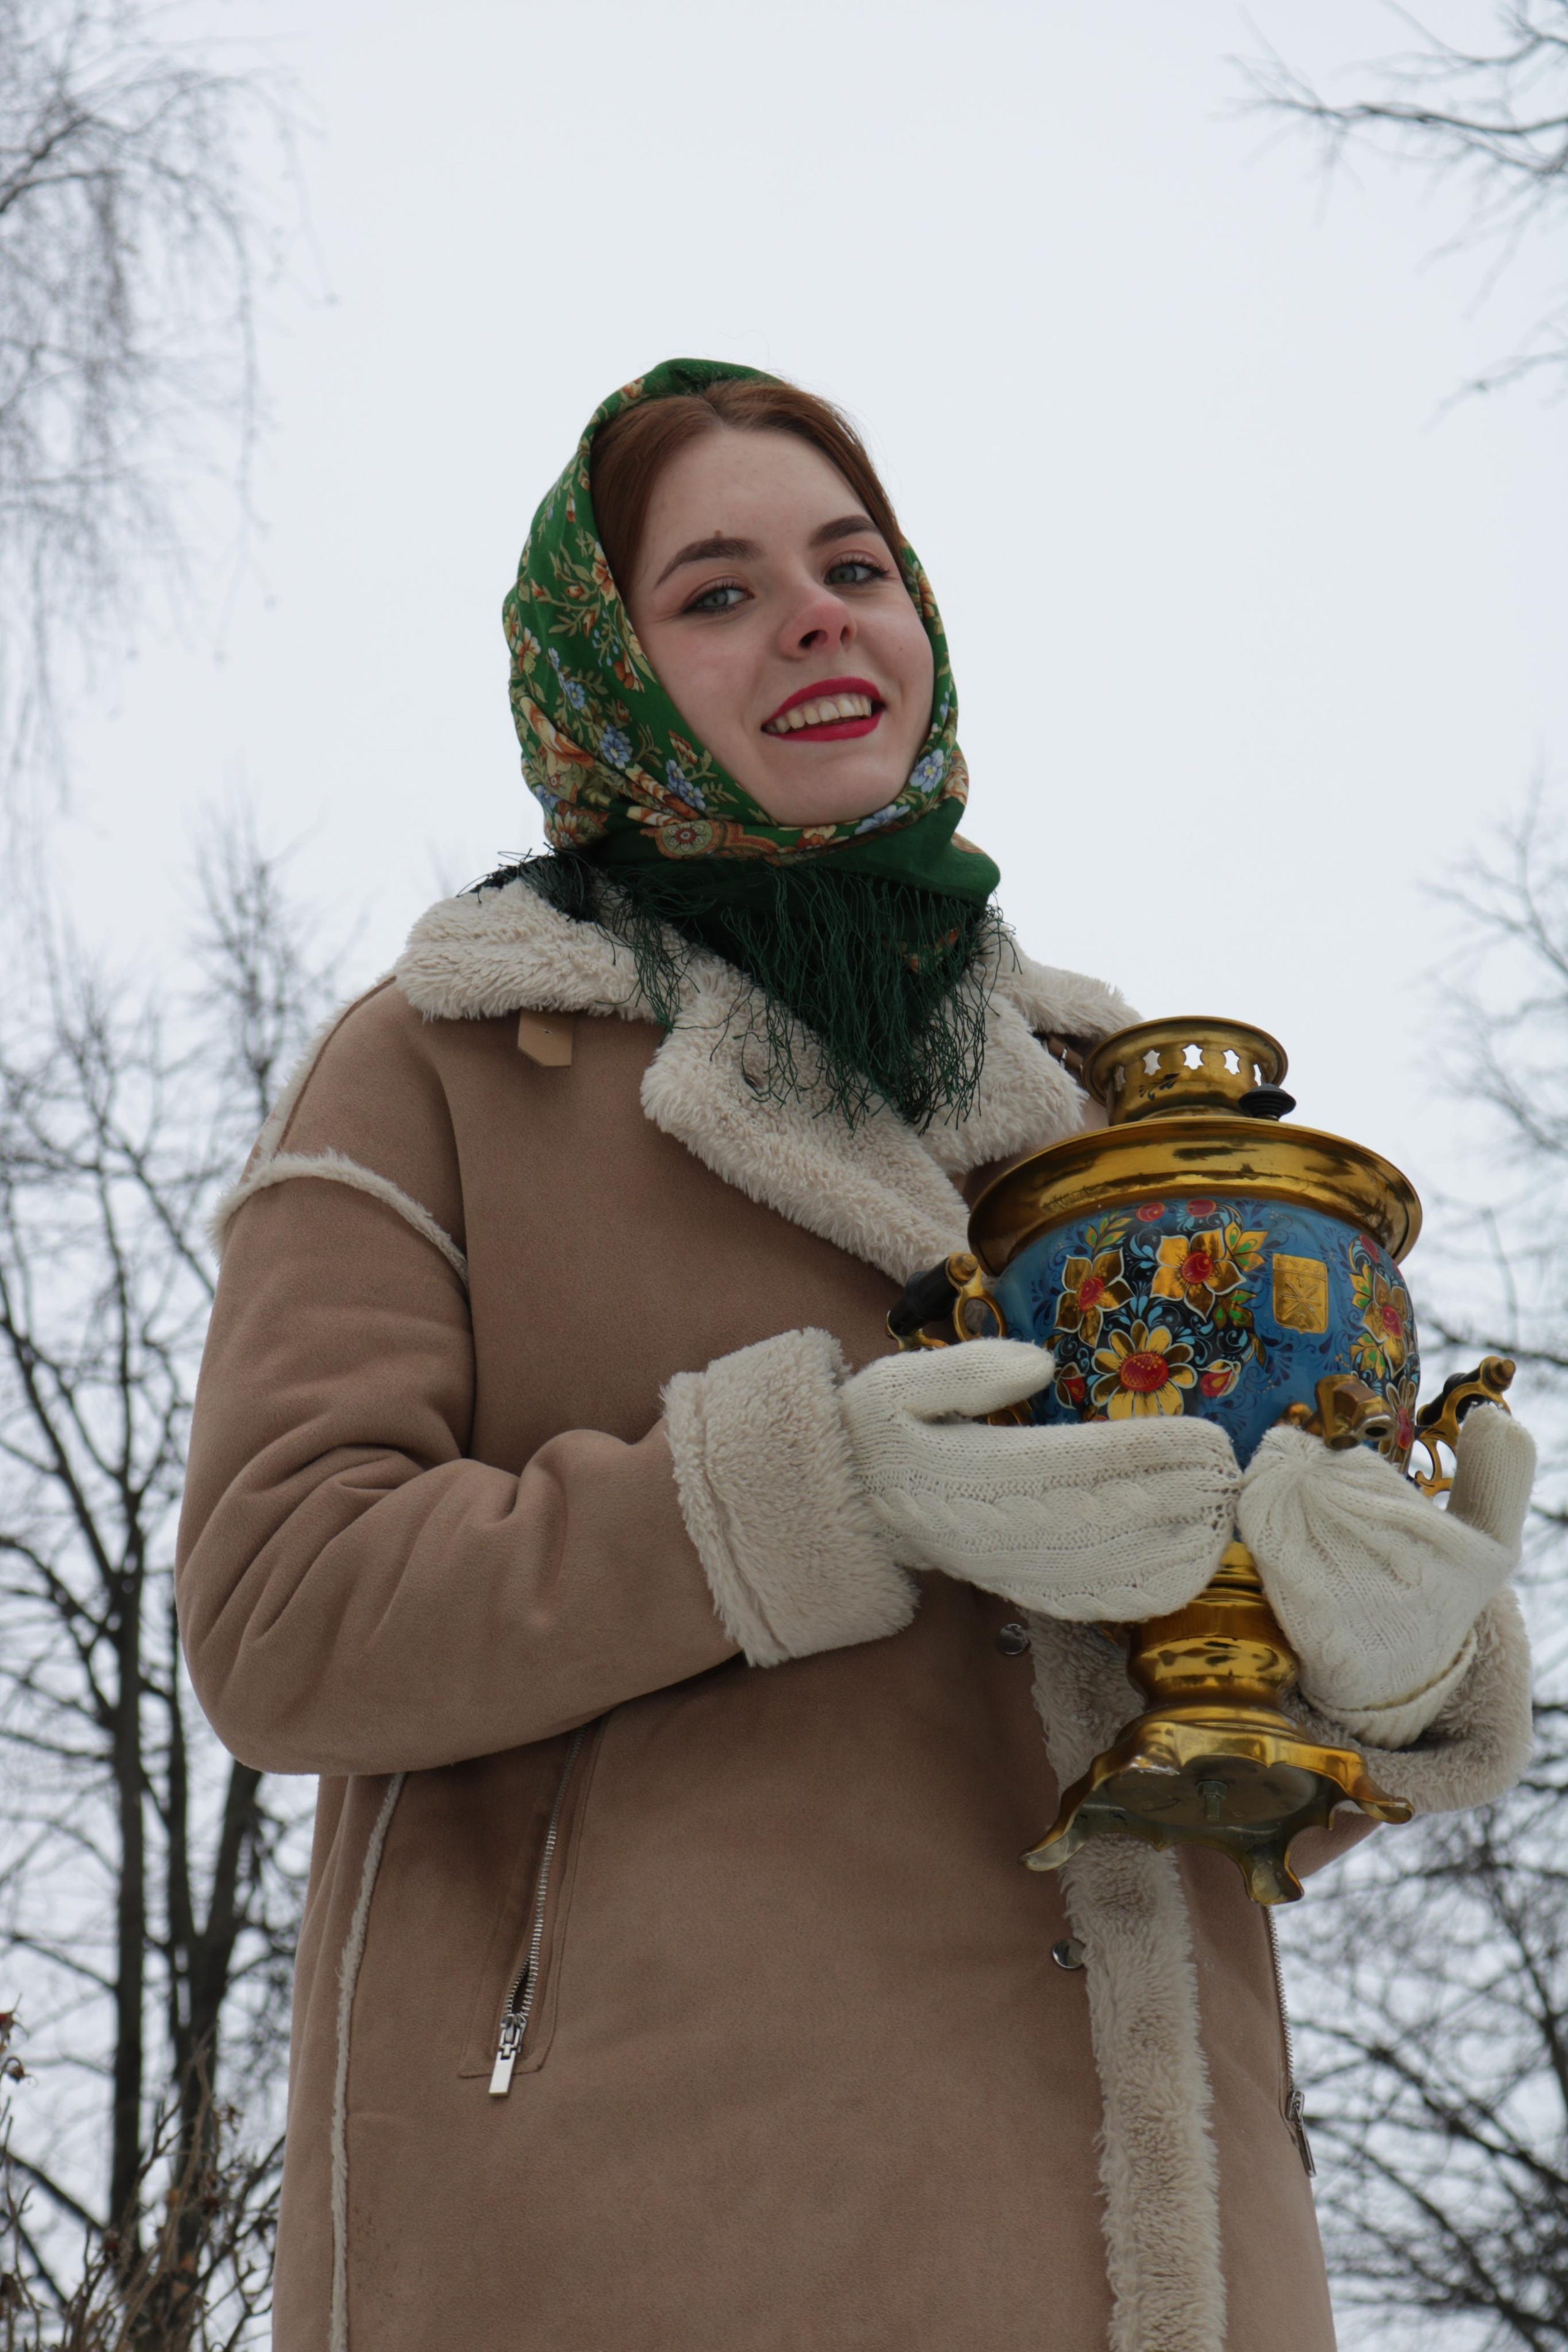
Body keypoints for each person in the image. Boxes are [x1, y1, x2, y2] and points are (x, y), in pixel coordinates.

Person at [177, 358, 1536, 2352]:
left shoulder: (1102, 1127)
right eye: (716, 592)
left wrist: (1380, 1652)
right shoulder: (447, 1059)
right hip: (646, 2229)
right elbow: (282, 1610)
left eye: (854, 565)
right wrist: (817, 1490)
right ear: (601, 674)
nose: (816, 615)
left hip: (1174, 2260)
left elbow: (1218, 1766)